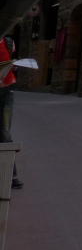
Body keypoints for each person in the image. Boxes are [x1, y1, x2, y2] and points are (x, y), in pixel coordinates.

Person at [0, 36, 21, 189]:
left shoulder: (8, 42)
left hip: (6, 90)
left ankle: (11, 176)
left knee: (5, 132)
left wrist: (13, 67)